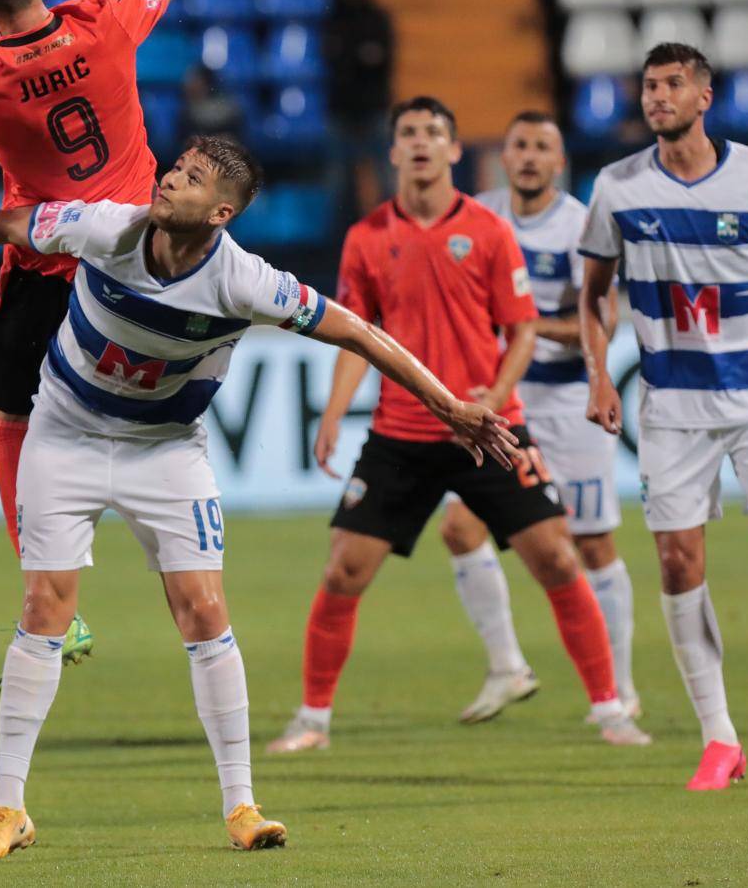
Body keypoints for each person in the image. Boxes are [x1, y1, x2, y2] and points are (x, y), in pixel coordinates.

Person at [0, 136, 519, 858]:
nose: (168, 179)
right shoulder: (101, 227)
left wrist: (448, 407)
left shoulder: (246, 282)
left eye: (188, 179)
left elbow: (361, 334)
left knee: (204, 611)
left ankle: (242, 807)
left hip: (165, 452)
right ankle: (7, 809)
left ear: (220, 212)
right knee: (43, 608)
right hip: (66, 437)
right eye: (173, 167)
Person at [0, 0, 347, 665]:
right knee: (160, 425)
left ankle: (53, 594)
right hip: (135, 256)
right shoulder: (105, 22)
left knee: (6, 416)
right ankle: (190, 583)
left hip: (48, 261)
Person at [267, 97, 648, 755]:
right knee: (344, 570)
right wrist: (333, 415)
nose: (420, 143)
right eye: (408, 133)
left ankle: (611, 709)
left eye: (433, 133)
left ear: (452, 150)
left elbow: (522, 327)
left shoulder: (490, 231)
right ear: (393, 153)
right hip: (402, 434)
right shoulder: (366, 238)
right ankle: (313, 720)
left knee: (559, 557)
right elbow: (357, 338)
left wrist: (495, 400)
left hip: (492, 431)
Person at [578, 43, 748, 790]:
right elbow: (593, 289)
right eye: (649, 86)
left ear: (705, 96)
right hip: (671, 406)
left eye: (672, 85)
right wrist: (599, 375)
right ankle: (719, 736)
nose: (656, 97)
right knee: (675, 563)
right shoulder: (618, 187)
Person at [439, 110, 641, 727]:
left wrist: (520, 327)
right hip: (499, 405)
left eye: (542, 147)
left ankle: (621, 689)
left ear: (560, 162)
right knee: (459, 528)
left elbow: (602, 324)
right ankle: (507, 667)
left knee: (590, 544)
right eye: (519, 144)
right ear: (504, 156)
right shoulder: (474, 216)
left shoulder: (581, 226)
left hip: (566, 402)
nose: (528, 156)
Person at [323, 0, 396, 216]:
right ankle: (338, 242)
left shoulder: (378, 18)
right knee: (338, 182)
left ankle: (395, 232)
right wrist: (359, 57)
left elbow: (381, 59)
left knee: (387, 176)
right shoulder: (331, 19)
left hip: (374, 106)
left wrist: (350, 57)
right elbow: (334, 59)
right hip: (341, 109)